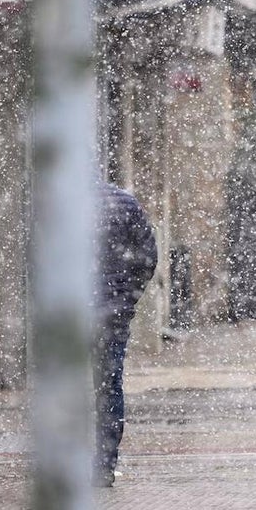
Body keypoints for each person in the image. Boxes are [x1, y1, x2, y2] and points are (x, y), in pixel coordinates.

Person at [94, 181, 158, 488]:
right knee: (108, 386)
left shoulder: (58, 205)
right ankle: (104, 464)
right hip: (112, 315)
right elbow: (148, 257)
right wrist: (125, 300)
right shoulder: (125, 203)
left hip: (71, 315)